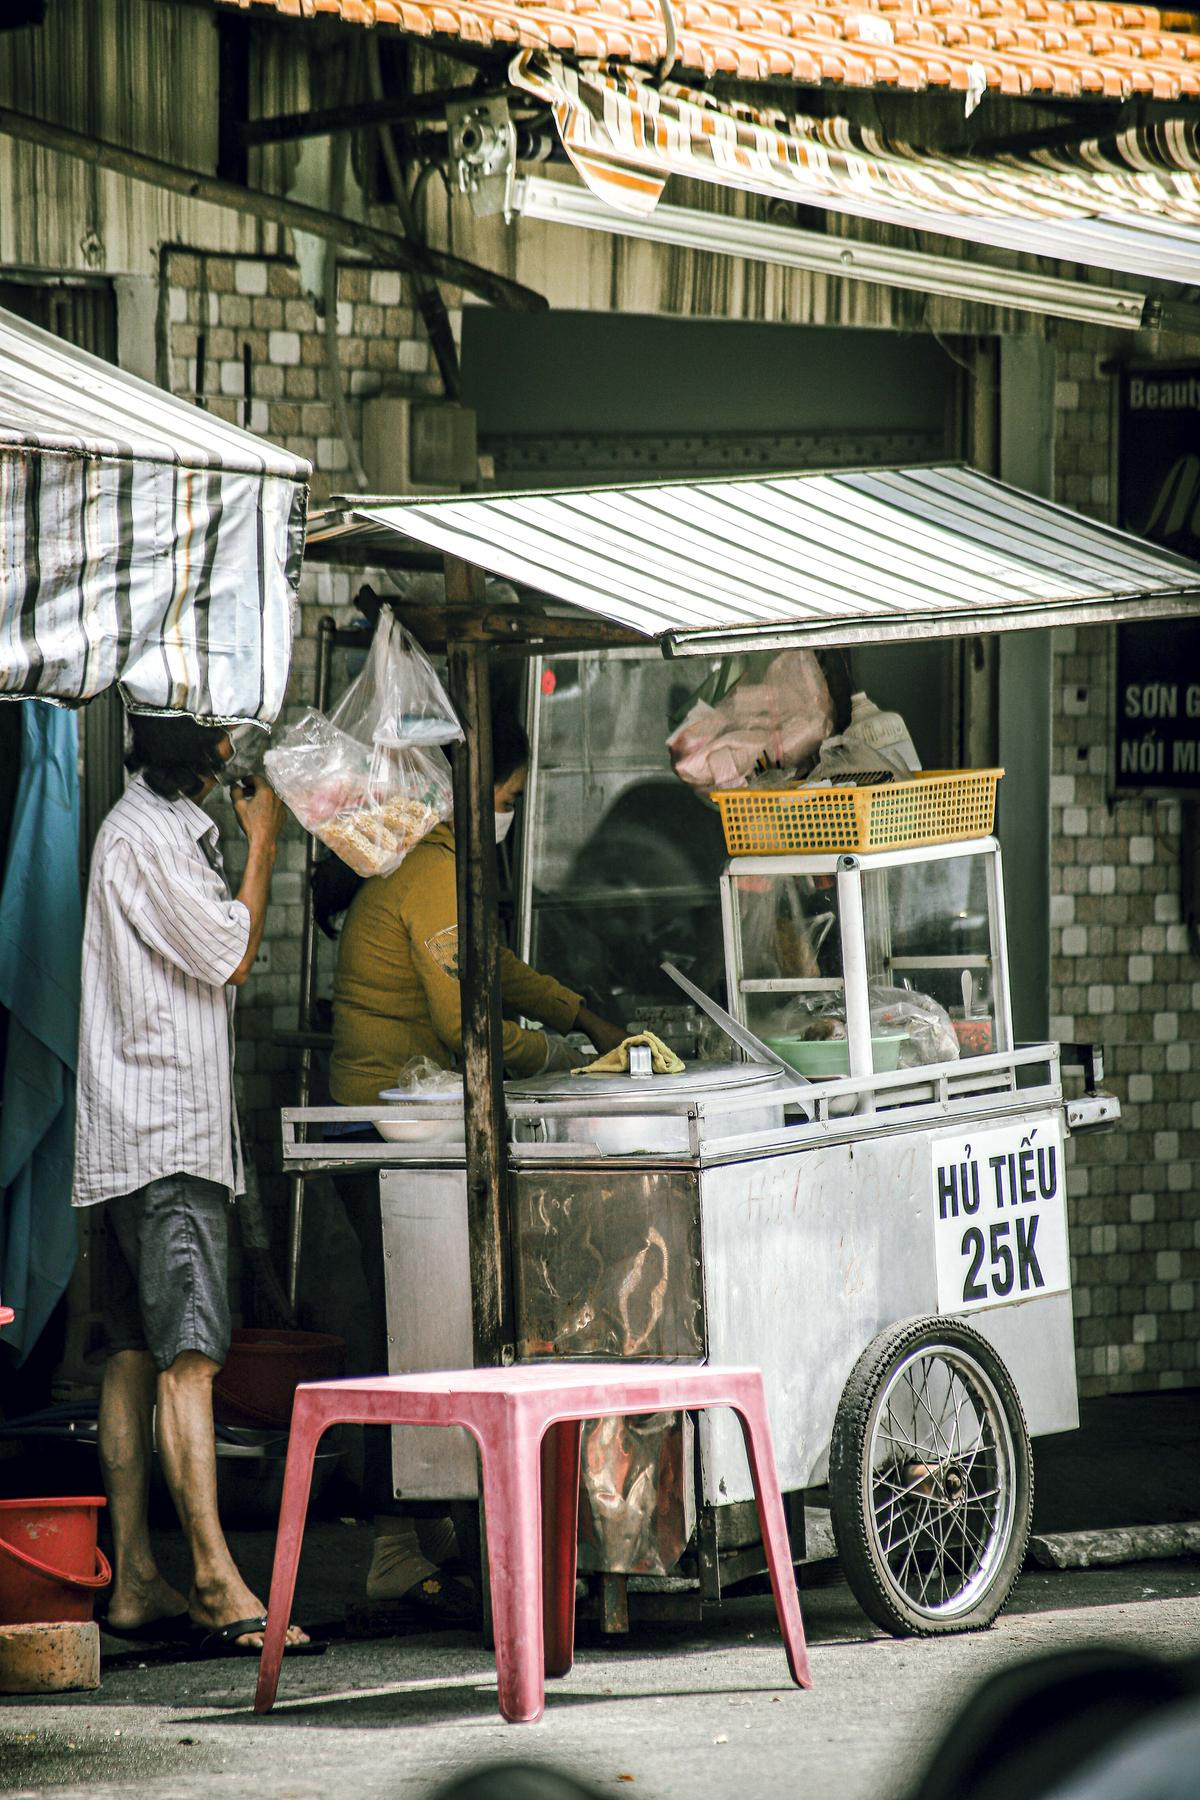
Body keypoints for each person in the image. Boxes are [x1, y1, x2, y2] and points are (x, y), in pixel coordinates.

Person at [319, 706, 625, 1612]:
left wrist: (577, 1014)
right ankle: (390, 1550)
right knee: (406, 1337)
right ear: (476, 791)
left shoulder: (442, 865)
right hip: (378, 1133)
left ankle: (433, 1527)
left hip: (401, 1129)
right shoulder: (430, 872)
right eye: (511, 796)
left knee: (431, 1326)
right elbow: (468, 1024)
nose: (511, 814)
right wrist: (567, 1058)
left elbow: (490, 969)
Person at [73, 714, 315, 1657]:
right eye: (219, 747)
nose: (230, 764)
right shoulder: (143, 836)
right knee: (191, 1362)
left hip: (138, 1136)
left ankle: (134, 1578)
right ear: (187, 757)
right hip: (165, 1139)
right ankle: (216, 1581)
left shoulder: (154, 831)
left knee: (134, 1357)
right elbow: (232, 955)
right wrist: (263, 845)